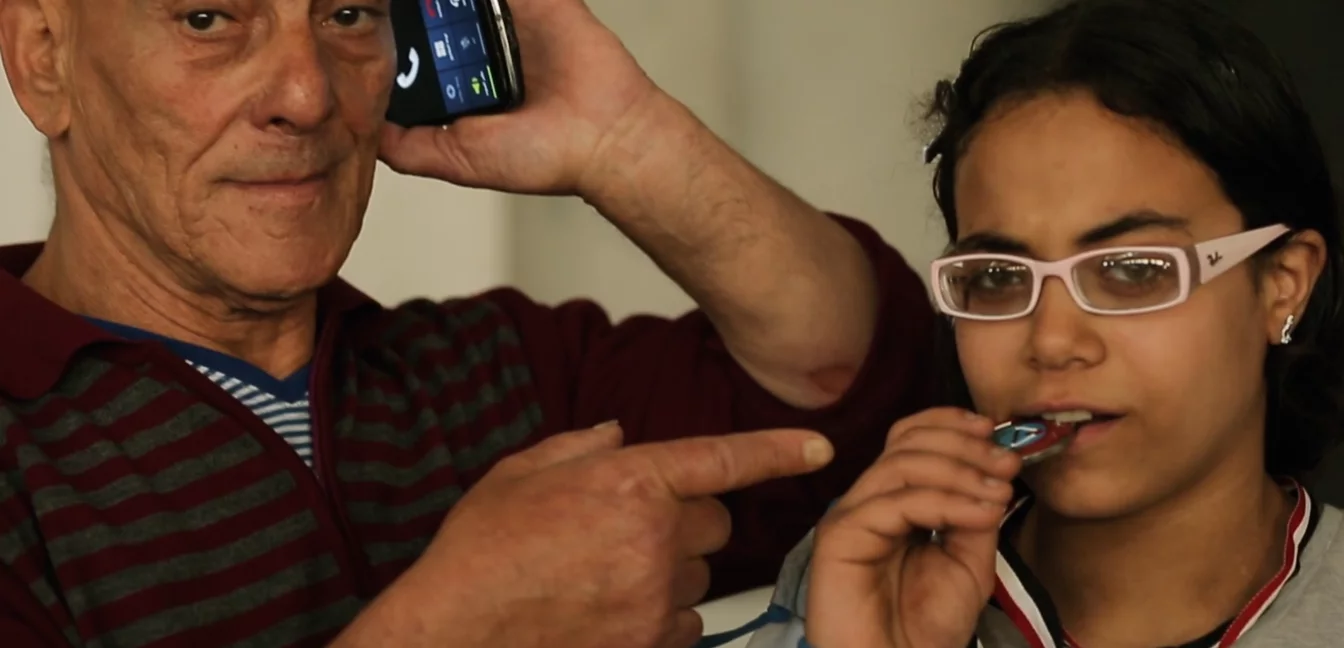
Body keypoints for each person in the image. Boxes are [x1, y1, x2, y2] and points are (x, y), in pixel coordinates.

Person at [0, 0, 935, 646]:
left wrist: (627, 139)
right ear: (45, 54)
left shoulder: (497, 371)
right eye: (208, 18)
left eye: (348, 15)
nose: (309, 93)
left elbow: (845, 380)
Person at [733, 1, 1344, 647]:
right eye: (1000, 278)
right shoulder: (846, 607)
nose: (1051, 340)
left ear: (1282, 286)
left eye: (1130, 270)